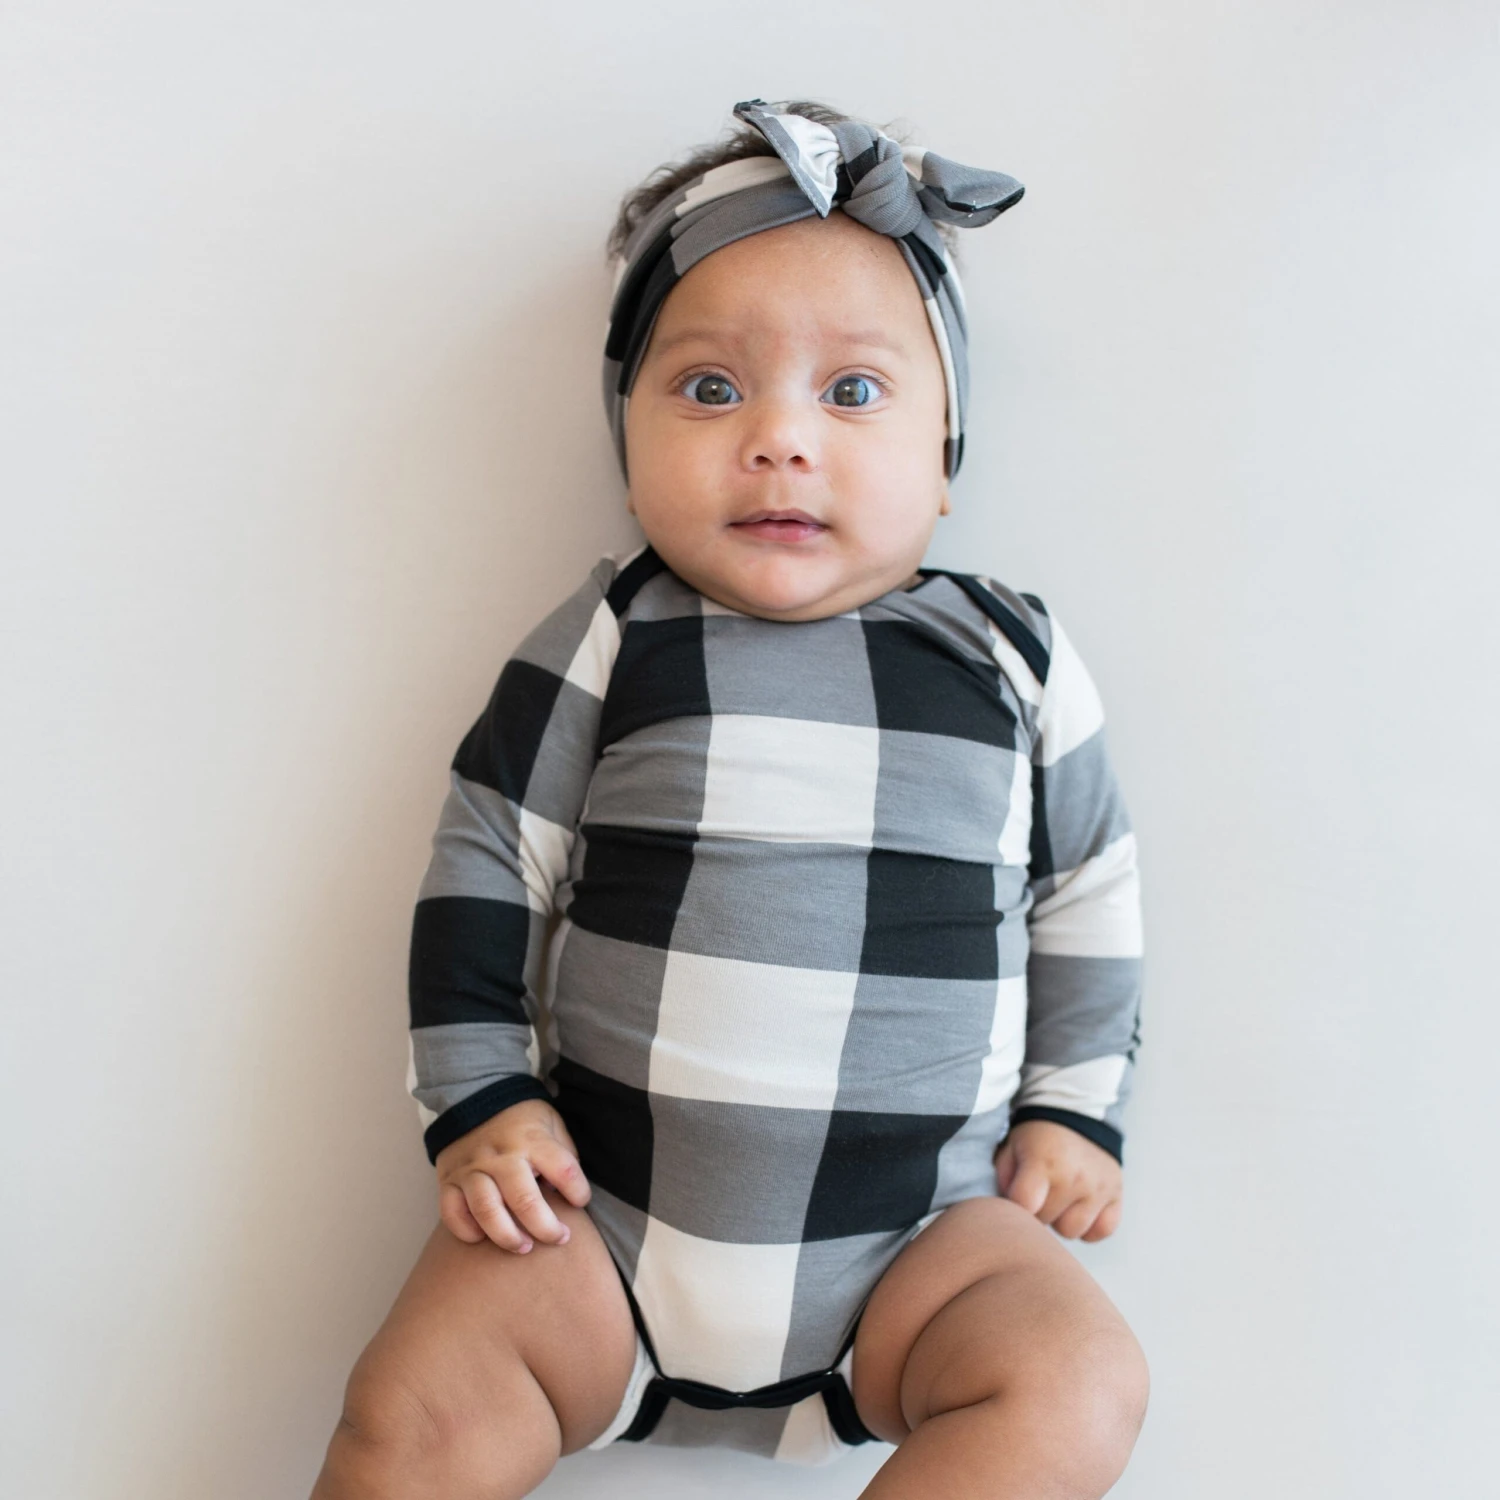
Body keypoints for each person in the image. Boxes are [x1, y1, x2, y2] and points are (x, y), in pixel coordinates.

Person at [311, 98, 1149, 1500]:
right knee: (410, 1419)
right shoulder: (617, 632)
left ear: (946, 449)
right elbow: (489, 855)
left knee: (1079, 1382)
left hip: (918, 1256)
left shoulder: (1013, 656)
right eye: (710, 390)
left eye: (854, 393)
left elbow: (1089, 890)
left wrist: (1075, 1109)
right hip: (594, 1234)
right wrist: (480, 1098)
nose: (780, 440)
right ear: (625, 434)